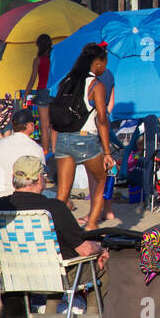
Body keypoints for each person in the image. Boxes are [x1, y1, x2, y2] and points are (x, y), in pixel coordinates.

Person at [0, 156, 102, 263]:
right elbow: (86, 250)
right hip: (60, 277)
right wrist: (101, 249)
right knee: (110, 259)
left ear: (13, 177)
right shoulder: (54, 208)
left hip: (15, 276)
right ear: (39, 179)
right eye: (44, 174)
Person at [53, 43, 116, 230]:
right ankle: (92, 224)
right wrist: (107, 151)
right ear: (97, 63)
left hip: (63, 138)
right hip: (84, 138)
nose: (105, 68)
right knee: (101, 178)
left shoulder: (68, 80)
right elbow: (102, 120)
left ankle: (56, 229)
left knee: (63, 192)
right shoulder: (96, 84)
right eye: (104, 63)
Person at [0, 110, 43, 198]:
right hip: (25, 195)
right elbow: (41, 176)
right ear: (28, 126)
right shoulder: (35, 147)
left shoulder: (0, 144)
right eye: (33, 123)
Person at [28, 33, 55, 154]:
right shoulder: (53, 58)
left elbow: (33, 78)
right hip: (54, 91)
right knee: (54, 125)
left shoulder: (37, 60)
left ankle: (45, 152)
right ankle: (54, 151)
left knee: (44, 126)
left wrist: (26, 93)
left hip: (42, 91)